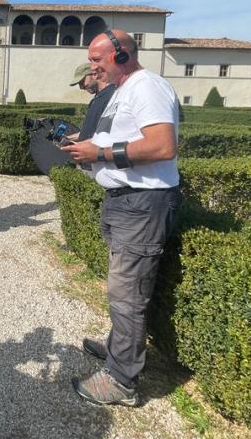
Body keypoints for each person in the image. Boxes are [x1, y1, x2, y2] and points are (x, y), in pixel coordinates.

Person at [65, 29, 180, 407]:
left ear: (120, 55)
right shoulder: (123, 91)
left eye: (97, 60)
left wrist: (98, 154)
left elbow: (162, 145)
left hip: (142, 203)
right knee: (121, 289)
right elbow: (119, 141)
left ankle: (121, 380)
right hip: (124, 201)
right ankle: (120, 350)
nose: (92, 67)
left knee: (128, 294)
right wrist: (84, 146)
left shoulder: (148, 87)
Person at [68, 61, 115, 142]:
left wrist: (83, 146)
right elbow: (87, 133)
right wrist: (66, 139)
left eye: (82, 82)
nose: (81, 87)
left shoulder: (111, 96)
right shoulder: (95, 100)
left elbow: (107, 134)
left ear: (94, 74)